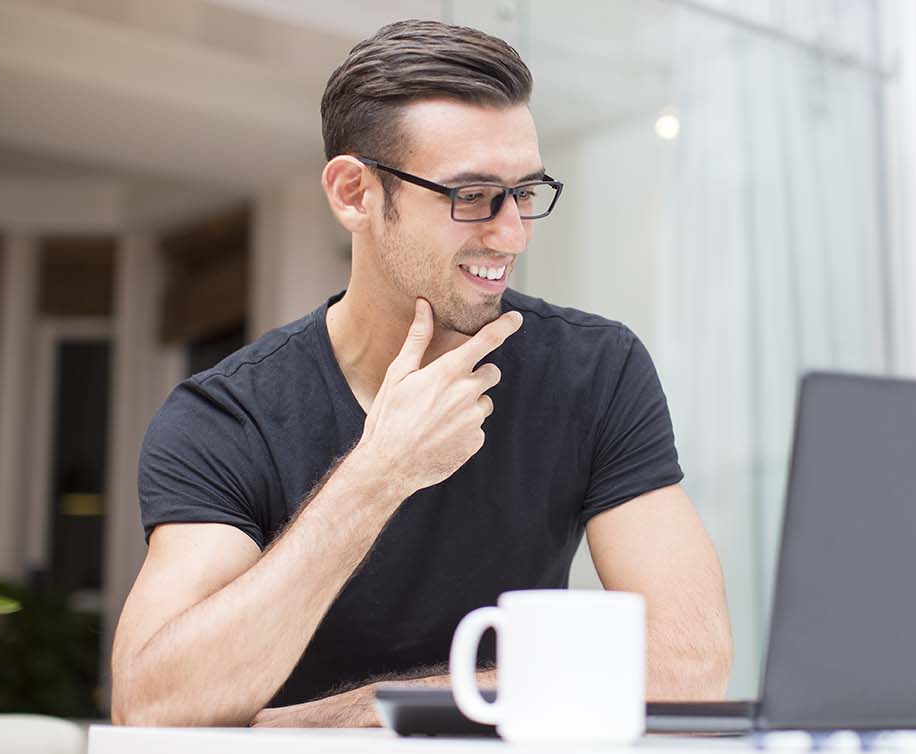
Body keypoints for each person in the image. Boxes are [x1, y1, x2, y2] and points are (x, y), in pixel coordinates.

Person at [110, 19, 732, 728]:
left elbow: (690, 663)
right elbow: (153, 707)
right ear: (354, 194)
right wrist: (380, 473)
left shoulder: (595, 371)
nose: (512, 232)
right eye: (470, 195)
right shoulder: (227, 416)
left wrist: (373, 711)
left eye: (525, 191)